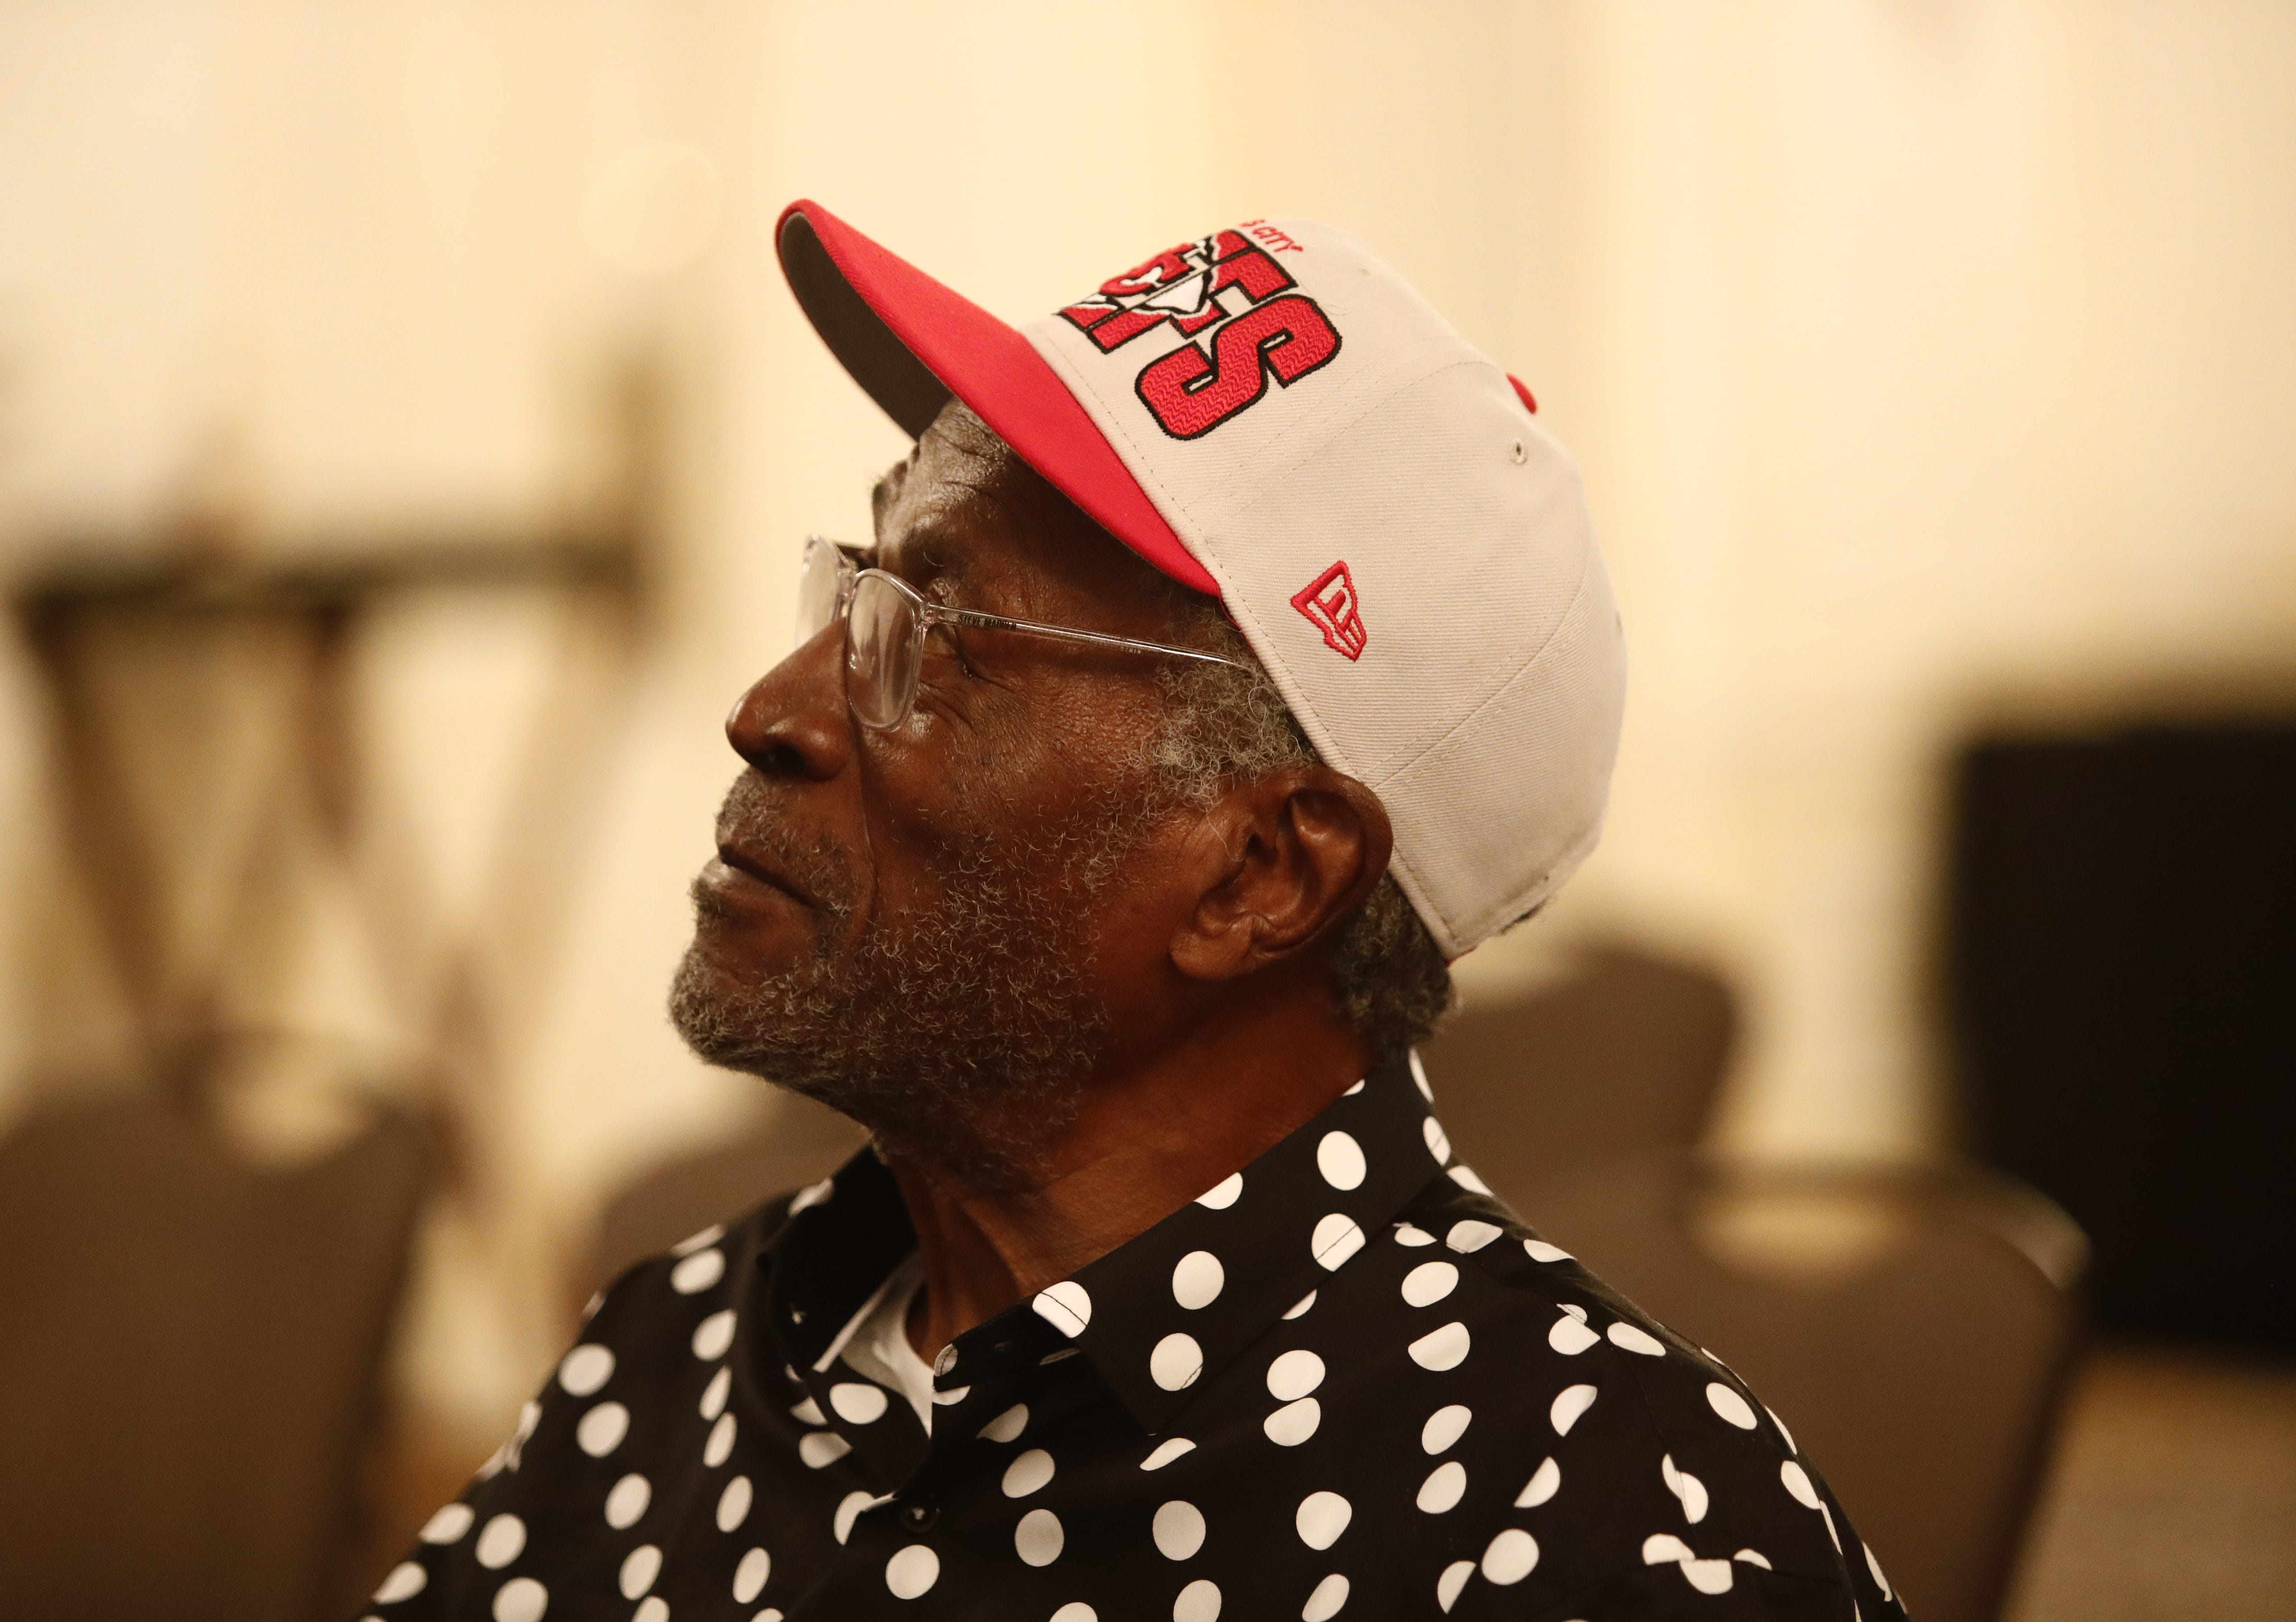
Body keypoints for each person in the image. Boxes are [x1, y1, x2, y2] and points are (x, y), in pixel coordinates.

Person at [362, 203, 1904, 1621]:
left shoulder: (1594, 1531)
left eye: (936, 639)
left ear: (1260, 877)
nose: (775, 710)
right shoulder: (697, 1349)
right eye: (852, 588)